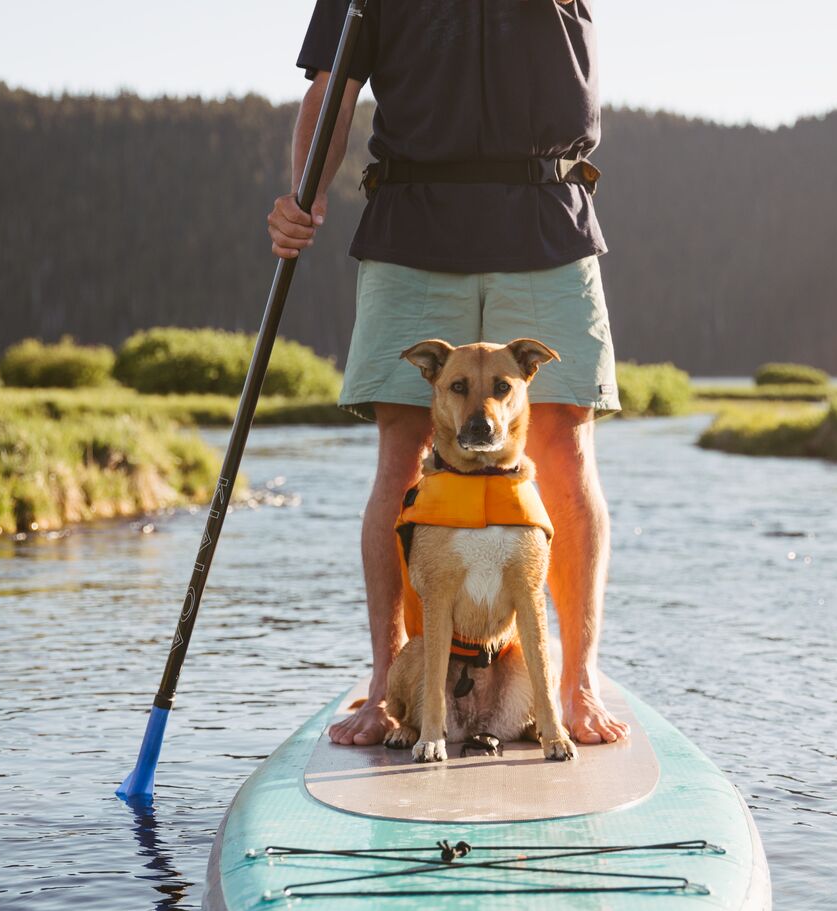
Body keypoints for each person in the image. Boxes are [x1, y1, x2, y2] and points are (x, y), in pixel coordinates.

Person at [269, 0, 628, 748]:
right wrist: (302, 200)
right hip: (412, 220)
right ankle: (386, 685)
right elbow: (331, 91)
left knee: (562, 449)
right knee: (403, 464)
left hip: (547, 212)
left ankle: (577, 680)